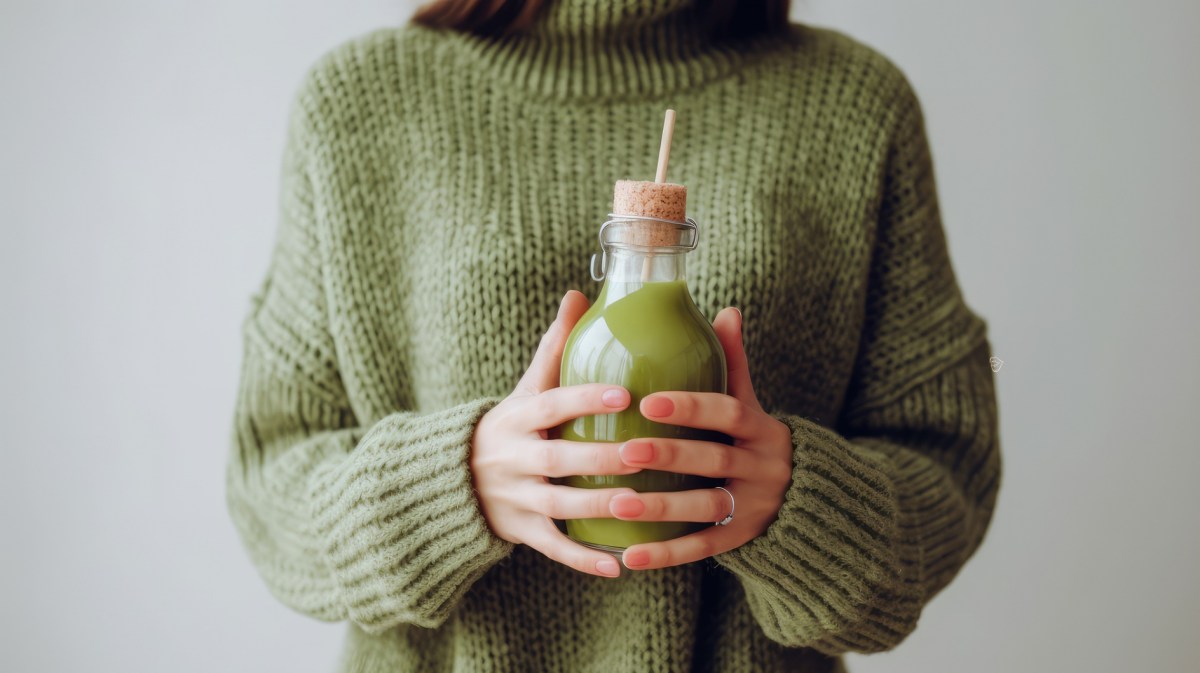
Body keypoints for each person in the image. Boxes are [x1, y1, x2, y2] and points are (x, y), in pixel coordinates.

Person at [225, 0, 1002, 671]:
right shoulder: (360, 103)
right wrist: (450, 484)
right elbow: (269, 484)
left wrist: (798, 500)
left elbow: (948, 465)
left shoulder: (856, 104)